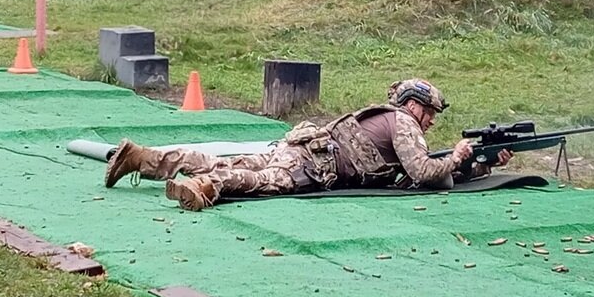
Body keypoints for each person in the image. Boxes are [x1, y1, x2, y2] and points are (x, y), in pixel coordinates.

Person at [104, 79, 512, 211]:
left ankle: (144, 157)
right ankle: (205, 187)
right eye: (429, 112)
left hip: (306, 145)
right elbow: (421, 172)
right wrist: (458, 156)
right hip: (316, 166)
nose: (431, 120)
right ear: (412, 105)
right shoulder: (405, 123)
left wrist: (478, 167)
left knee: (230, 157)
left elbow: (411, 175)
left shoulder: (385, 117)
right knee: (263, 179)